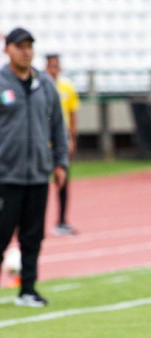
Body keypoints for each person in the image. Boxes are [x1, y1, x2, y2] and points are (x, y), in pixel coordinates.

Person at [0, 28, 68, 307]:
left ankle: (28, 289)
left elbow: (57, 125)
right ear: (8, 50)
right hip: (6, 175)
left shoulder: (45, 84)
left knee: (32, 236)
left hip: (38, 173)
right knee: (1, 235)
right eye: (20, 46)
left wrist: (60, 162)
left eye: (29, 46)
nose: (26, 51)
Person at [45, 53, 80, 236]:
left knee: (63, 182)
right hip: (42, 143)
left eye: (57, 66)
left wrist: (71, 138)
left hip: (60, 143)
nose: (54, 69)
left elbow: (73, 113)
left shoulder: (66, 87)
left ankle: (62, 220)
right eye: (51, 65)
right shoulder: (40, 86)